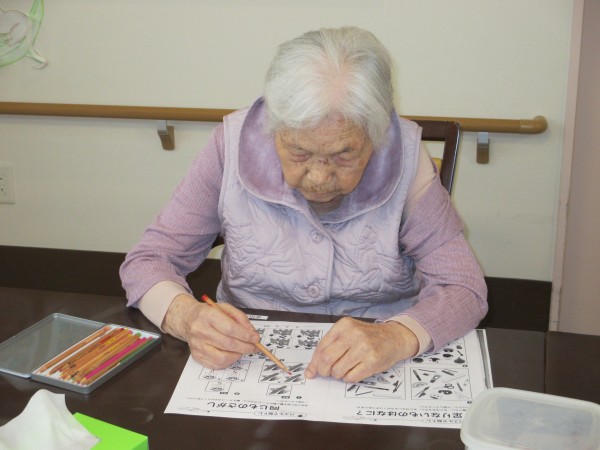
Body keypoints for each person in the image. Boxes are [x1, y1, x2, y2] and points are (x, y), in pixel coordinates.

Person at [120, 26, 487, 384]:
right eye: (299, 151)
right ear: (273, 127)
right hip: (247, 361)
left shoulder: (403, 152)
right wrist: (187, 318)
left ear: (376, 135)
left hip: (375, 364)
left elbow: (463, 287)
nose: (318, 177)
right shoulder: (231, 145)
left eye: (344, 154)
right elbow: (148, 260)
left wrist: (396, 336)